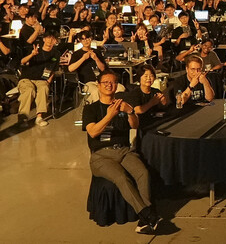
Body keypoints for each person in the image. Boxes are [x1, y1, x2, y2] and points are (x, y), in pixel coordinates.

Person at [82, 70, 162, 235]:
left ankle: (143, 220)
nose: (109, 85)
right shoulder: (91, 109)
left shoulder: (123, 104)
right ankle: (147, 214)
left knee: (143, 173)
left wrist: (130, 112)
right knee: (121, 178)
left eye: (113, 82)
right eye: (105, 82)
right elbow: (93, 132)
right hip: (101, 155)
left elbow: (134, 125)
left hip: (124, 151)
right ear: (99, 86)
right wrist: (109, 116)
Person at [17, 32, 60, 126]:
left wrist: (48, 81)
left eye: (52, 39)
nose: (50, 41)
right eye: (48, 38)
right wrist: (32, 55)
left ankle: (39, 117)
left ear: (55, 41)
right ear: (44, 39)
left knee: (44, 88)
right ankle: (22, 118)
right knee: (29, 90)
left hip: (42, 79)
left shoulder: (56, 54)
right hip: (27, 78)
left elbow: (54, 70)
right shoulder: (35, 49)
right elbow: (22, 61)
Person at [122, 65, 170, 131]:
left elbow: (163, 107)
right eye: (145, 76)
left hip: (156, 122)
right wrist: (152, 103)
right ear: (139, 78)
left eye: (151, 76)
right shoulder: (135, 93)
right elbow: (137, 110)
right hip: (141, 125)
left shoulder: (156, 91)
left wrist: (163, 102)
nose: (149, 78)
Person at [68, 31, 110, 103]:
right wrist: (83, 58)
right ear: (80, 41)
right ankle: (97, 112)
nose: (86, 41)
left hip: (101, 80)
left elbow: (103, 68)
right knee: (95, 92)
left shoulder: (97, 52)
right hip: (87, 83)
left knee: (119, 88)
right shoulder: (77, 54)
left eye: (87, 38)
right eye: (83, 39)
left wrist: (96, 59)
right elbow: (70, 69)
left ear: (91, 39)